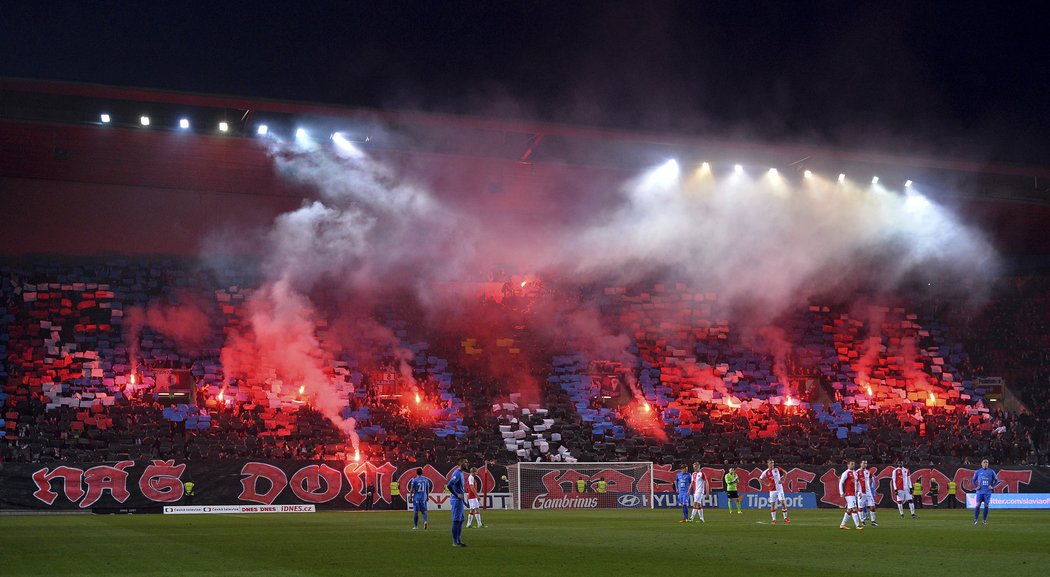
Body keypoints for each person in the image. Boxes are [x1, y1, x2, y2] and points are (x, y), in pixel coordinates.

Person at [758, 459, 791, 524]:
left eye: (773, 463)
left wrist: (783, 480)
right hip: (772, 490)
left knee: (783, 503)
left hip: (779, 489)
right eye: (771, 463)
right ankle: (773, 520)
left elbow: (785, 472)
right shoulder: (765, 472)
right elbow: (760, 479)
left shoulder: (777, 468)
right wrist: (767, 484)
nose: (772, 464)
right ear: (768, 463)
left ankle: (785, 518)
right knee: (773, 505)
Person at [447, 458, 468, 547]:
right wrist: (456, 494)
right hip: (456, 500)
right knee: (456, 521)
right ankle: (455, 542)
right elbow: (449, 485)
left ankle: (458, 540)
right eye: (465, 462)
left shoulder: (461, 473)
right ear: (461, 464)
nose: (467, 464)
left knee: (461, 520)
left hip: (459, 500)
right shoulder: (457, 473)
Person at [972, 458, 999, 525]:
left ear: (988, 464)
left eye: (987, 462)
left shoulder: (991, 471)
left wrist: (992, 486)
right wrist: (976, 487)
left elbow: (996, 480)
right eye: (984, 462)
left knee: (986, 505)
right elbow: (973, 480)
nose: (985, 463)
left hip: (987, 491)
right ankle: (975, 520)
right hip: (980, 491)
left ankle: (984, 520)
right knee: (978, 504)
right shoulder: (978, 471)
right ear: (981, 463)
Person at [838, 460, 864, 530]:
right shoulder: (846, 473)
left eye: (854, 464)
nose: (853, 465)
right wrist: (841, 492)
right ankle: (858, 525)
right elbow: (841, 483)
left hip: (854, 493)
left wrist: (860, 492)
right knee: (854, 508)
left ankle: (842, 525)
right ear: (848, 465)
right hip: (849, 494)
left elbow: (858, 483)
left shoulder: (855, 473)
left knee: (849, 510)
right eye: (852, 464)